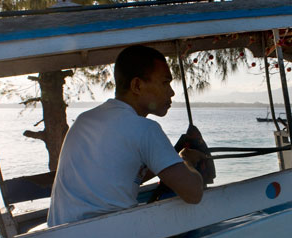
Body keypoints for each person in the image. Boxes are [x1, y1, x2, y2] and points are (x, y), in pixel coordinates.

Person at [47, 45, 204, 228]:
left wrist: (167, 164)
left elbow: (115, 177)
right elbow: (194, 193)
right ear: (137, 85)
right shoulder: (145, 128)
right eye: (165, 82)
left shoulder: (84, 120)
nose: (171, 92)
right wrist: (186, 161)